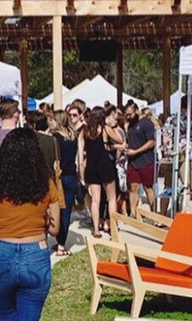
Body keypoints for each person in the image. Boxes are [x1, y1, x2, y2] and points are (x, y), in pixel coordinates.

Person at [0, 129, 60, 321]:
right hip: (36, 253)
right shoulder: (47, 186)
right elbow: (55, 229)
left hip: (2, 252)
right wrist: (44, 218)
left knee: (5, 315)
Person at [78, 107, 117, 238]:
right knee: (111, 198)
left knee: (95, 200)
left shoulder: (84, 131)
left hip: (91, 167)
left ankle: (96, 229)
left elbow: (80, 154)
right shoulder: (105, 129)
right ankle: (112, 227)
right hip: (105, 165)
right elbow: (120, 140)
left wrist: (81, 174)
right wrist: (110, 146)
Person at [51, 110, 79, 256]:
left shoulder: (54, 137)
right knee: (67, 211)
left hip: (59, 177)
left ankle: (59, 239)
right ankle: (62, 243)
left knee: (57, 209)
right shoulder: (73, 136)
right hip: (72, 175)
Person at [122, 103, 157, 213]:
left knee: (148, 188)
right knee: (133, 187)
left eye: (130, 114)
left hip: (146, 161)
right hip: (133, 162)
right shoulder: (130, 126)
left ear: (136, 111)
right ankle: (133, 213)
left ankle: (154, 213)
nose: (128, 117)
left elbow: (151, 142)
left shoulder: (146, 123)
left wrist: (136, 151)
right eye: (126, 115)